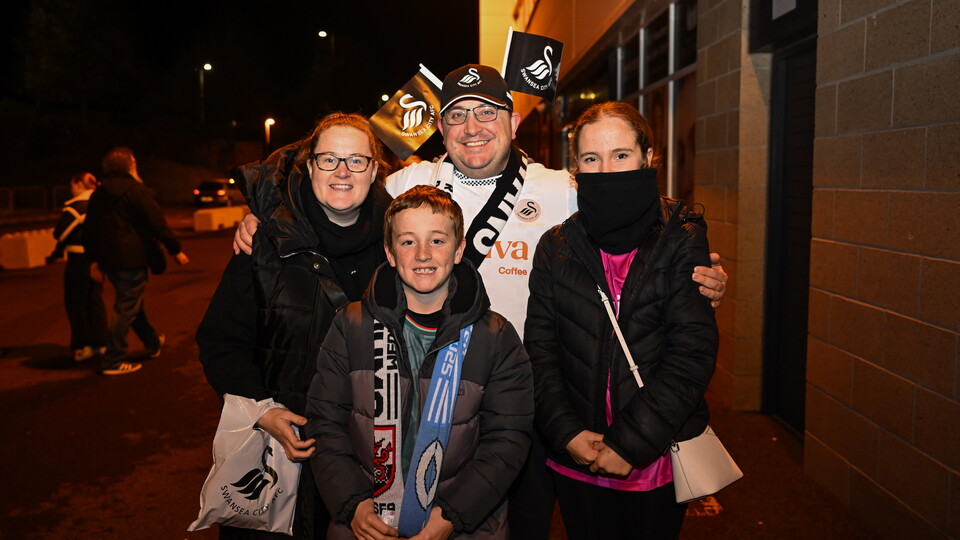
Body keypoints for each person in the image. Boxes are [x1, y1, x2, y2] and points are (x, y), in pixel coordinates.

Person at [232, 64, 728, 539]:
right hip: (427, 401)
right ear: (440, 127)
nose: (472, 128)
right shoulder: (407, 182)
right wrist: (266, 218)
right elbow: (336, 192)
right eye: (456, 115)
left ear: (513, 121)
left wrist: (701, 270)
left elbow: (639, 216)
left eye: (487, 112)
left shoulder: (562, 187)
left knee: (524, 527)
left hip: (532, 406)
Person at [524, 101, 719, 539]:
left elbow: (691, 354)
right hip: (578, 452)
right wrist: (567, 433)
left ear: (648, 158)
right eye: (592, 159)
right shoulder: (555, 246)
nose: (608, 170)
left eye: (621, 155)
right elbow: (540, 350)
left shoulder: (682, 236)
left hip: (654, 455)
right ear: (576, 171)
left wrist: (629, 443)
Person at [196, 112, 393, 539]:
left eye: (356, 160)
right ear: (308, 166)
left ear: (374, 170)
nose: (342, 171)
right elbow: (221, 342)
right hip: (280, 458)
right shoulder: (264, 242)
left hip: (371, 457)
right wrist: (263, 411)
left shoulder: (399, 245)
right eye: (329, 160)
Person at [305, 185, 532, 539]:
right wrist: (353, 503)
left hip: (463, 524)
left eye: (437, 241)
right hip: (364, 523)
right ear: (390, 253)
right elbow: (324, 422)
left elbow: (509, 438)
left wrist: (453, 515)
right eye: (408, 241)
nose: (423, 254)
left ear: (459, 250)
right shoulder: (351, 325)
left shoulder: (495, 336)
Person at [84, 147, 189, 375]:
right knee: (126, 306)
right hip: (132, 258)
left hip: (109, 260)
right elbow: (156, 222)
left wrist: (93, 261)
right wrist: (175, 250)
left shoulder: (98, 194)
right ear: (129, 166)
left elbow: (90, 229)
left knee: (131, 303)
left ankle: (152, 342)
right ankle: (113, 359)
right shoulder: (136, 190)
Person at [51, 172, 107, 362]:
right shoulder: (102, 204)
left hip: (79, 258)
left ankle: (83, 345)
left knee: (76, 302)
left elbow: (60, 233)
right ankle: (100, 343)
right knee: (95, 300)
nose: (70, 188)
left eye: (72, 184)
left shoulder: (77, 207)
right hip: (99, 258)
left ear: (79, 183)